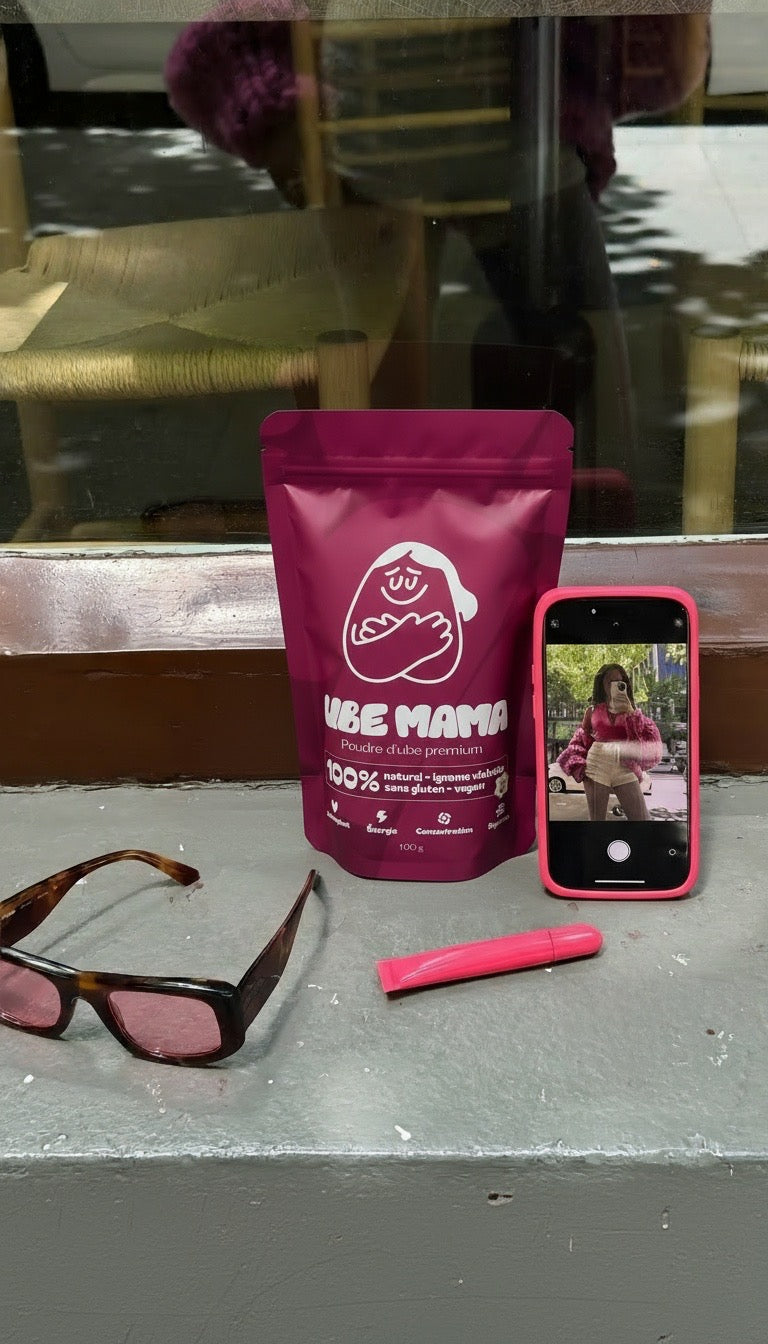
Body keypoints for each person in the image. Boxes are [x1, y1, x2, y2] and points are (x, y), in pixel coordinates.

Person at [557, 663, 662, 821]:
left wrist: (631, 713)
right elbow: (582, 738)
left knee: (641, 819)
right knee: (597, 821)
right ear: (602, 683)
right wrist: (579, 765)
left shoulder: (631, 710)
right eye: (610, 681)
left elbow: (638, 739)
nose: (615, 684)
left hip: (624, 764)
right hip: (597, 762)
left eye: (619, 681)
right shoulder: (591, 710)